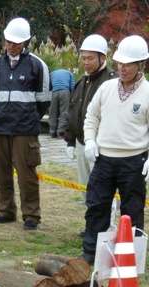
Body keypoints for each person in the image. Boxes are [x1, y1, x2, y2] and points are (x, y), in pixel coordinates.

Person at [81, 35, 149, 265]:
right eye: (120, 63)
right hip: (104, 159)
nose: (122, 68)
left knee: (132, 210)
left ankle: (132, 256)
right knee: (96, 206)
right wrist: (90, 140)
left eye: (128, 64)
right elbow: (92, 116)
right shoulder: (107, 88)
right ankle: (91, 252)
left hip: (133, 161)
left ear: (142, 65)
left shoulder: (147, 92)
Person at [0, 17, 51, 231]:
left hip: (25, 129)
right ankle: (6, 211)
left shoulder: (37, 65)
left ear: (25, 41)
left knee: (27, 175)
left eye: (16, 42)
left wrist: (29, 118)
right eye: (8, 41)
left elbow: (44, 100)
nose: (11, 45)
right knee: (1, 172)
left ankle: (31, 215)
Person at [65, 34, 116, 202]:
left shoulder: (113, 81)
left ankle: (104, 225)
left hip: (102, 145)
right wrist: (70, 141)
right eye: (83, 58)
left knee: (102, 188)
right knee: (85, 187)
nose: (86, 62)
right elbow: (73, 112)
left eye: (90, 58)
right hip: (81, 142)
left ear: (103, 57)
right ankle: (91, 225)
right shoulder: (82, 81)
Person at [48, 69, 74, 138]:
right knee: (64, 112)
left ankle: (52, 131)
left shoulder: (52, 73)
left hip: (54, 92)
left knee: (53, 112)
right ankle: (60, 132)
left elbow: (49, 85)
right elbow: (72, 87)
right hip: (65, 91)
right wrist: (71, 97)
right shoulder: (69, 73)